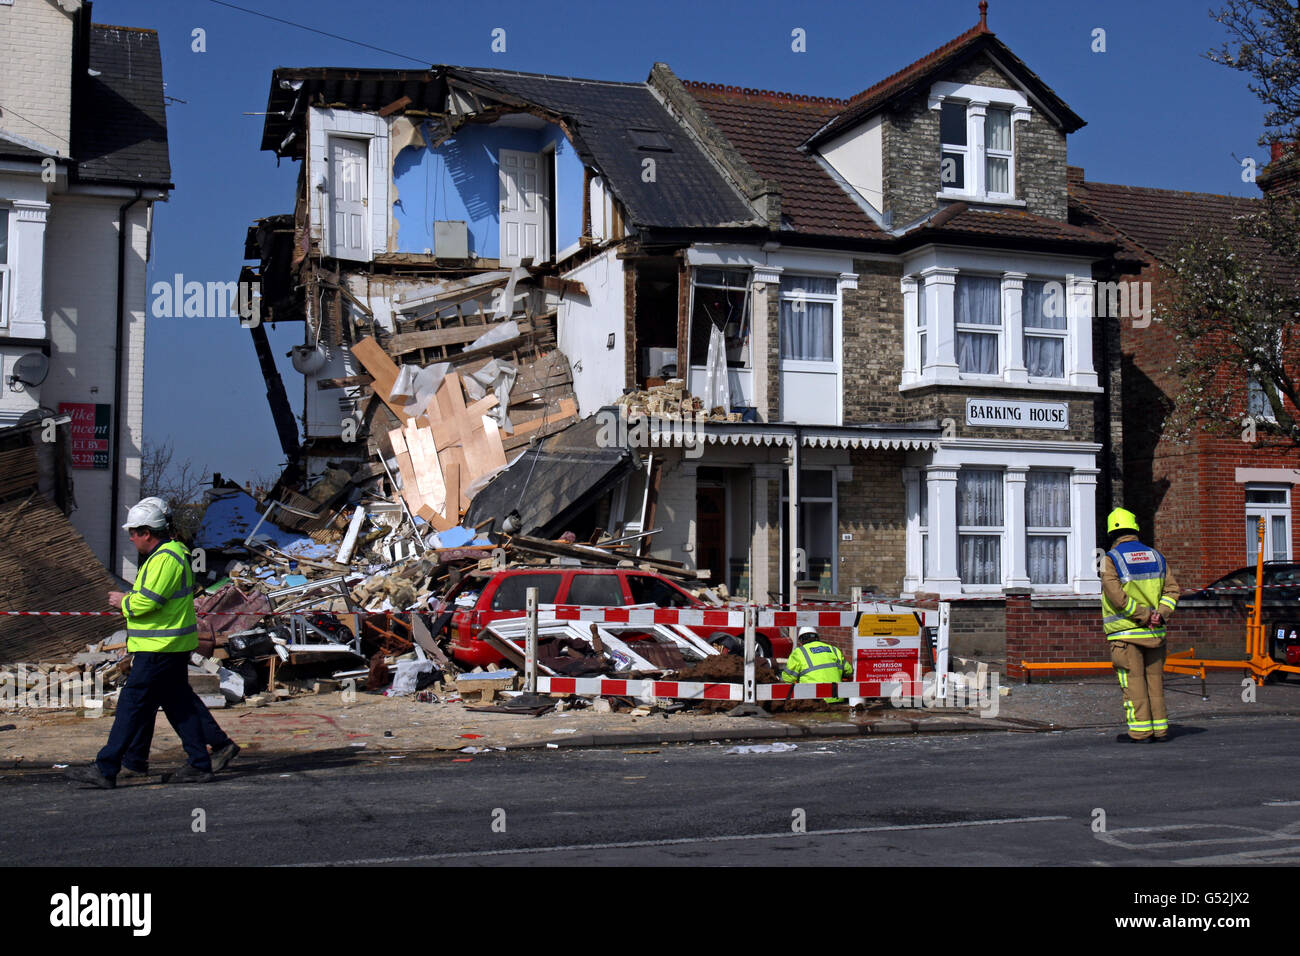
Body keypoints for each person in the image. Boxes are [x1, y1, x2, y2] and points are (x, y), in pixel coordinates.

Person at [65, 497, 233, 788]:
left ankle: (106, 768)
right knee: (178, 704)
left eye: (133, 532)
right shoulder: (170, 554)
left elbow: (148, 601)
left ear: (147, 532)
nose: (131, 538)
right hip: (167, 647)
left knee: (132, 705)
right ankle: (196, 762)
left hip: (159, 648)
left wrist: (123, 602)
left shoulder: (165, 558)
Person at [1101, 508, 1180, 744]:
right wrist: (1160, 614)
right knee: (1155, 683)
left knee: (1133, 684)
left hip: (1126, 634)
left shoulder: (1109, 559)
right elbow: (1172, 591)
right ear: (1135, 529)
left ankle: (1140, 732)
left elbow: (1117, 597)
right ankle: (1160, 730)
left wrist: (1144, 615)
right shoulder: (1156, 556)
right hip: (1155, 633)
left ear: (1111, 533)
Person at [780, 626, 853, 702]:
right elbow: (849, 671)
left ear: (801, 640)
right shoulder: (834, 649)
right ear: (817, 637)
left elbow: (788, 678)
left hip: (813, 702)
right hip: (836, 699)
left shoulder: (799, 652)